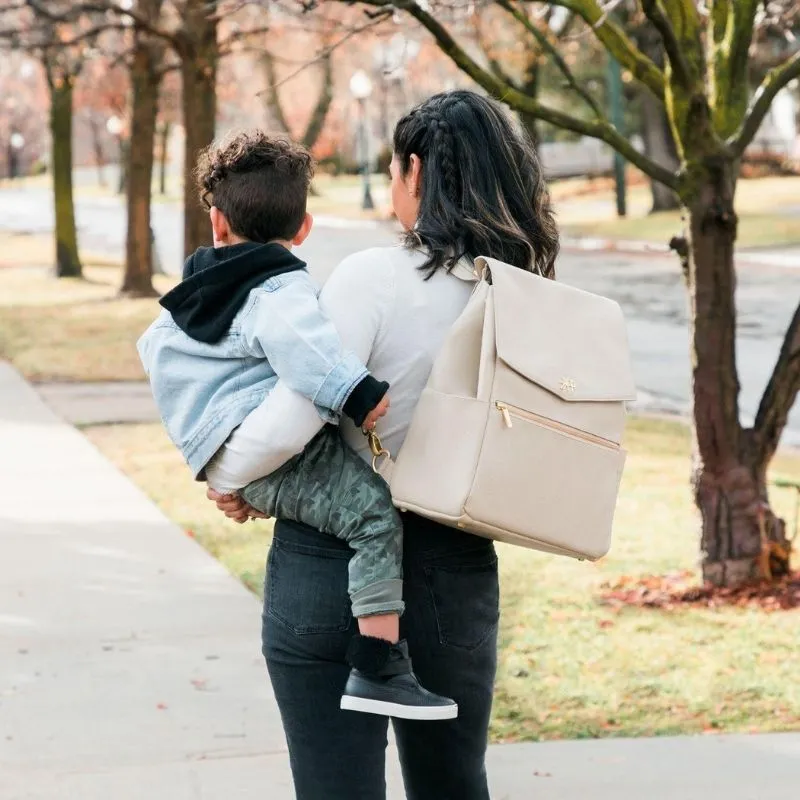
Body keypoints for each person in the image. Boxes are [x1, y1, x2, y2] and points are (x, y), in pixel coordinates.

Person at [208, 90, 560, 800]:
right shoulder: (524, 293)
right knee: (454, 784)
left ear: (416, 171)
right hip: (452, 569)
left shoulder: (372, 277)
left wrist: (229, 476)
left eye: (397, 170)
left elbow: (296, 415)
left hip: (327, 564)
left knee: (333, 788)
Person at [137, 131, 457, 720]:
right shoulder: (278, 286)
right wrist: (355, 393)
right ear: (304, 227)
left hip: (234, 455)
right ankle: (380, 663)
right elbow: (304, 348)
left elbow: (165, 363)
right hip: (276, 456)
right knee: (372, 515)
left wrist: (217, 456)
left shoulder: (190, 300)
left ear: (217, 223)